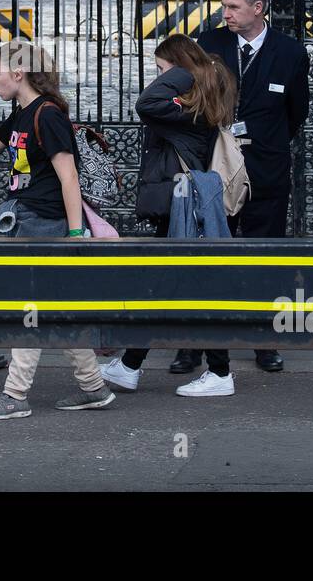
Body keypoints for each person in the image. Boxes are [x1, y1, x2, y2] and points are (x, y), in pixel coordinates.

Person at [0, 41, 115, 419]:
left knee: (28, 307)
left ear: (18, 74)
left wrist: (75, 234)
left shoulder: (47, 116)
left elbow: (69, 179)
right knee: (56, 308)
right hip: (30, 219)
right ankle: (94, 387)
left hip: (46, 222)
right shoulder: (21, 113)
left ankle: (15, 395)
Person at [99, 35, 238, 395]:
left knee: (190, 287)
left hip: (184, 204)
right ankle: (131, 364)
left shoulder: (186, 105)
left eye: (161, 70)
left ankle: (221, 373)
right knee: (163, 285)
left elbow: (145, 103)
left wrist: (179, 72)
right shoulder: (192, 102)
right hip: (181, 204)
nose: (157, 78)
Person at [193, 0, 309, 376]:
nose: (225, 13)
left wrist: (264, 141)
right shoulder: (209, 45)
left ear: (257, 9)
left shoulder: (290, 53)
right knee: (207, 253)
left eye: (232, 7)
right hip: (216, 168)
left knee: (266, 255)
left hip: (267, 169)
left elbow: (297, 113)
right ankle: (195, 344)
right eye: (223, 6)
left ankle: (264, 339)